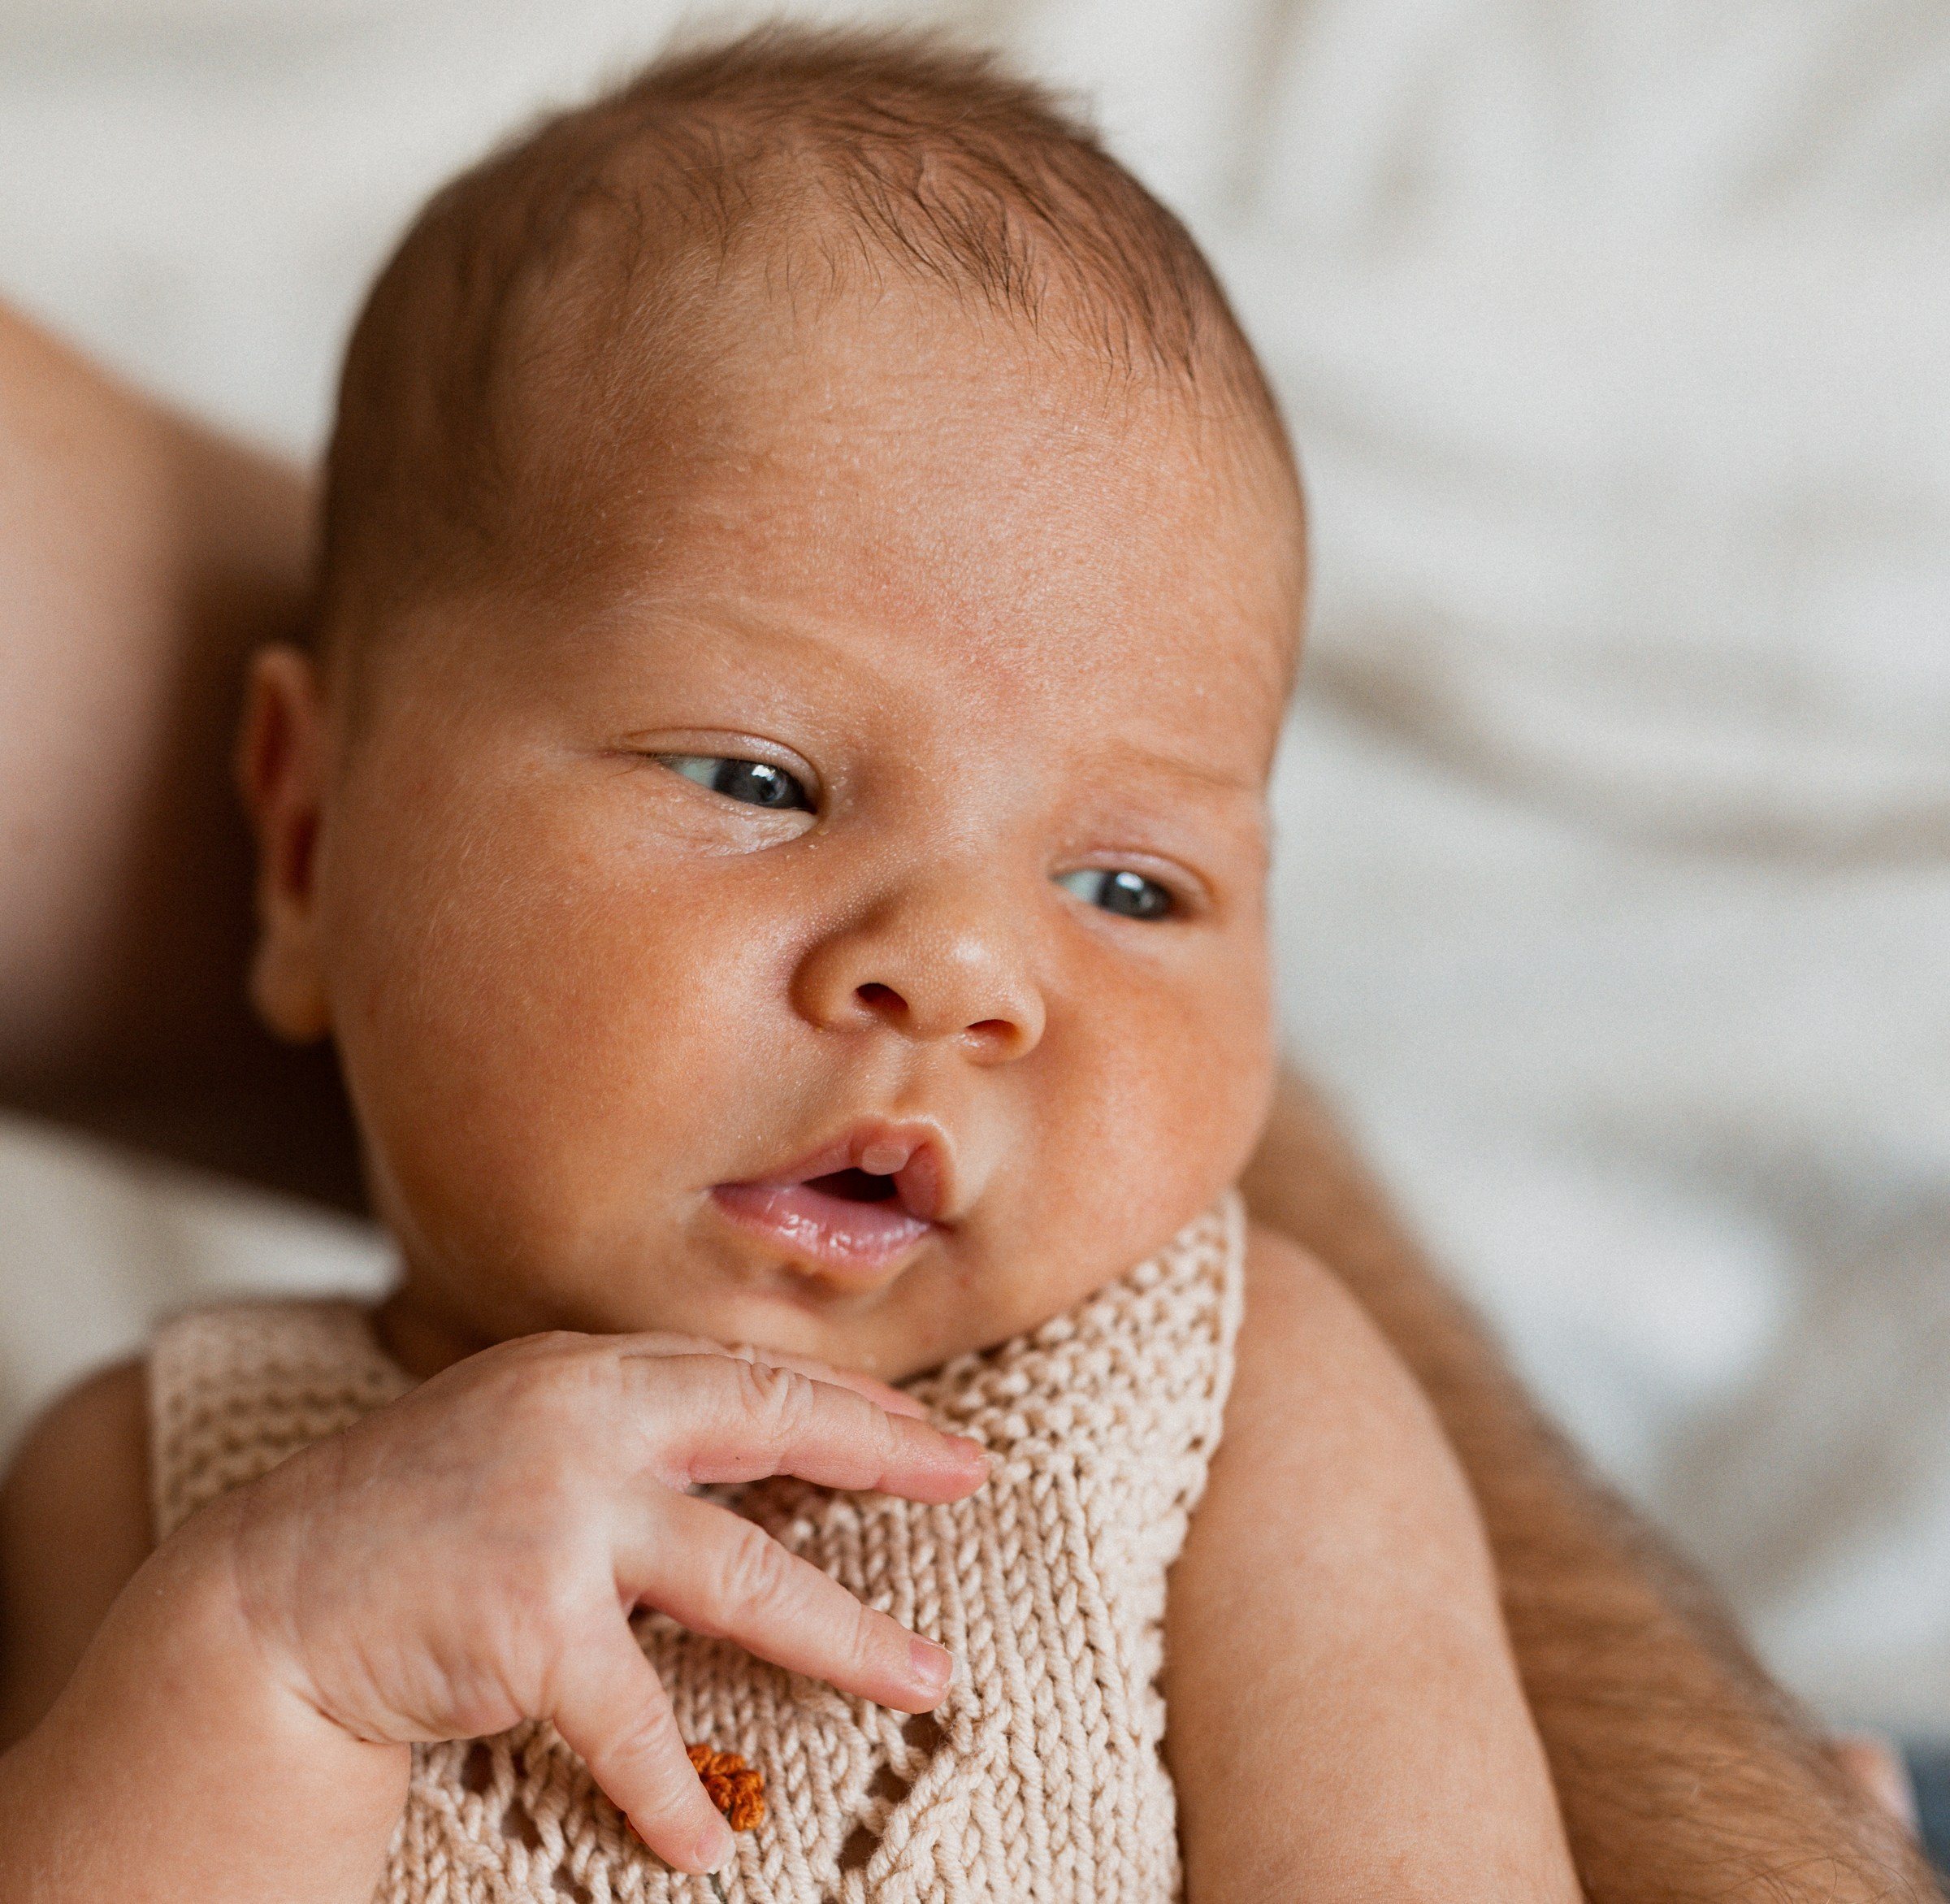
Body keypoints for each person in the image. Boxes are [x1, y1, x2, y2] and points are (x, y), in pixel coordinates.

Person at [0, 30, 1930, 1904]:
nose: (966, 970)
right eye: (760, 778)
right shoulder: (161, 1482)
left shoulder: (1235, 1418)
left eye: (1133, 885)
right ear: (311, 840)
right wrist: (264, 1666)